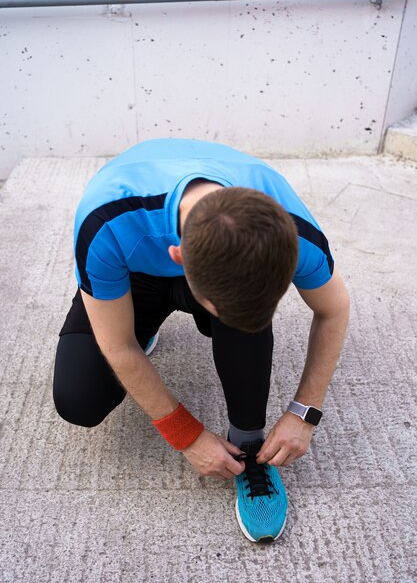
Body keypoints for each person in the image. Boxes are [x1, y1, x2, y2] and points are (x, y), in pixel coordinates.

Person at [53, 138, 350, 543]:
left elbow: (334, 308)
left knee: (244, 323)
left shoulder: (292, 228)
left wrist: (305, 411)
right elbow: (118, 344)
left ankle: (248, 443)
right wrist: (185, 434)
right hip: (133, 270)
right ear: (178, 258)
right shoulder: (104, 220)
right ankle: (145, 320)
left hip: (206, 261)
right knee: (79, 400)